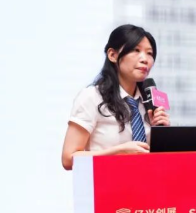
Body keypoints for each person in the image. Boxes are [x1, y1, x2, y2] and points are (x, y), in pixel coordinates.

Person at [61, 24, 170, 170]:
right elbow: (68, 159)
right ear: (112, 55)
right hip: (106, 182)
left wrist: (163, 134)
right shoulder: (92, 96)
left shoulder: (150, 102)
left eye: (149, 53)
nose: (145, 59)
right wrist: (118, 152)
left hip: (147, 182)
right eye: (136, 50)